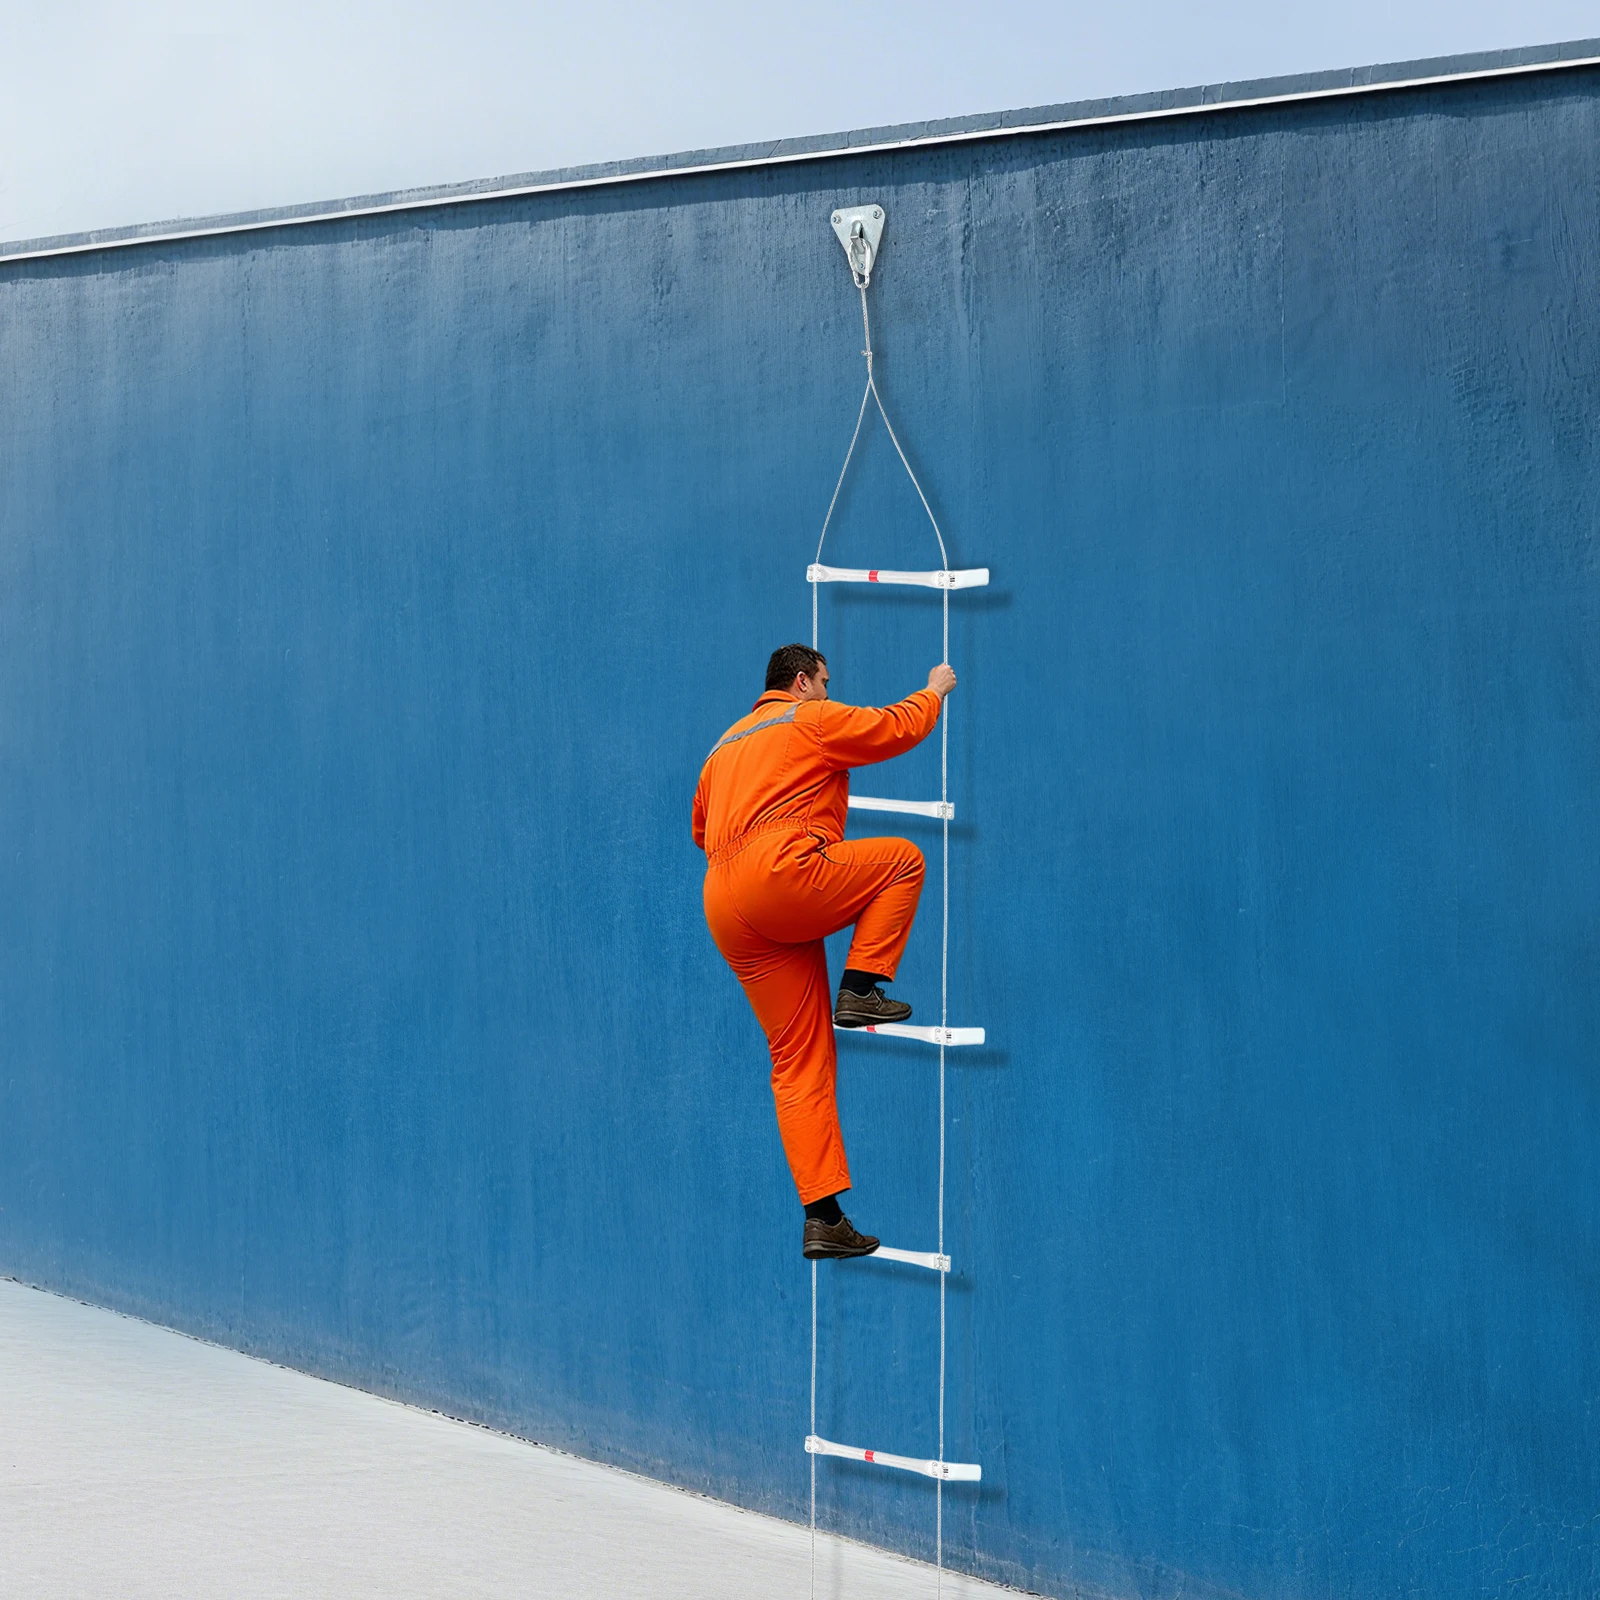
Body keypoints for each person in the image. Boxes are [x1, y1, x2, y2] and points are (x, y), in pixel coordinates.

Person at [692, 643, 957, 1259]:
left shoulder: (723, 745)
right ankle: (862, 987)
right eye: (827, 683)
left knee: (797, 1058)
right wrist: (934, 689)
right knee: (903, 861)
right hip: (779, 872)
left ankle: (824, 1218)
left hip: (725, 905)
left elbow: (701, 828)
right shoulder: (805, 718)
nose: (830, 693)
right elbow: (891, 728)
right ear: (803, 682)